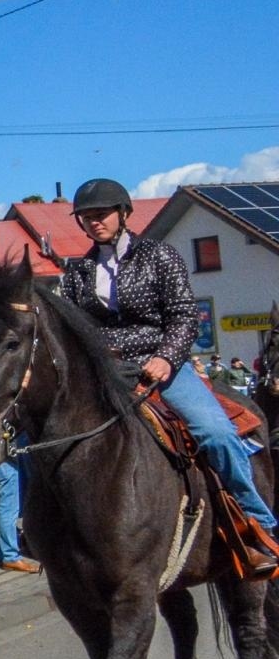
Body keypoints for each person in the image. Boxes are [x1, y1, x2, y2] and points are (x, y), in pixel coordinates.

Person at [61, 178, 278, 546]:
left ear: (124, 213)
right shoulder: (77, 273)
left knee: (216, 433)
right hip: (105, 372)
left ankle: (257, 522)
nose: (94, 222)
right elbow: (72, 326)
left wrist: (165, 358)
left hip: (161, 369)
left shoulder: (159, 256)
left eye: (101, 214)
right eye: (86, 217)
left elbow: (184, 315)